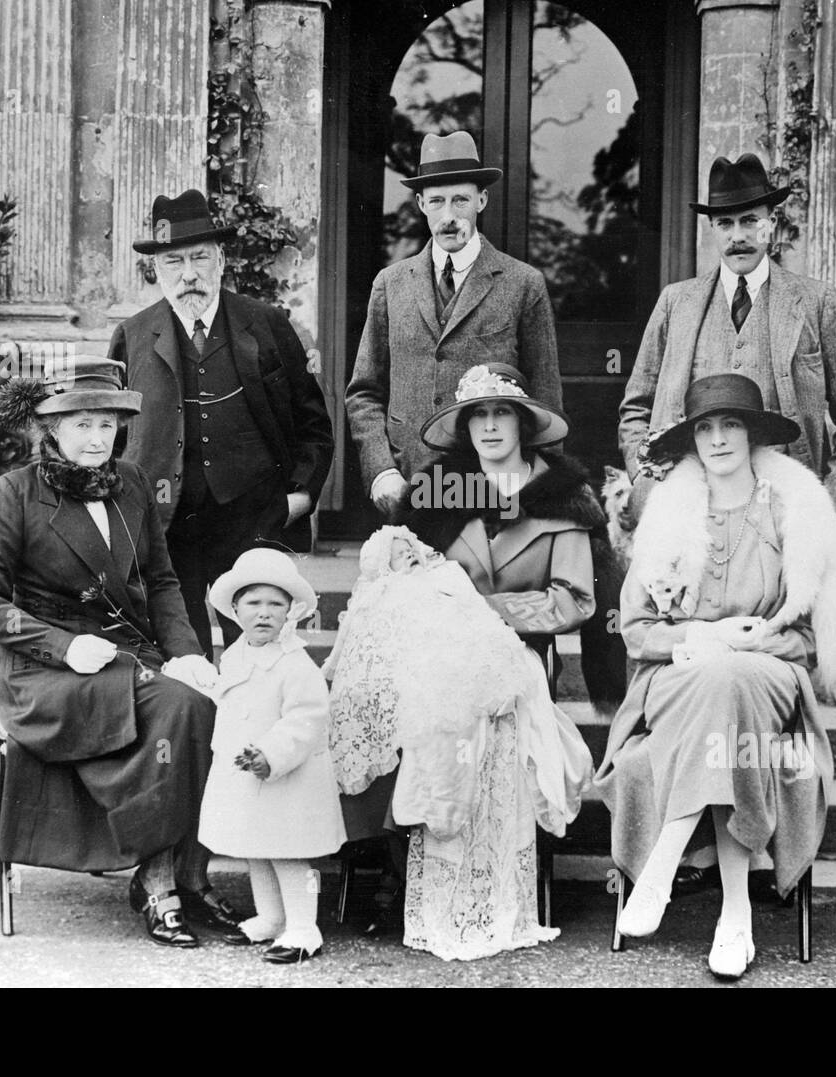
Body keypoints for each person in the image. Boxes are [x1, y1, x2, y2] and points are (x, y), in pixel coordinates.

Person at [0, 356, 249, 948]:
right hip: (44, 670)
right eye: (81, 426)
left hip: (126, 653)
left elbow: (163, 580)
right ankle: (161, 880)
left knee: (199, 698)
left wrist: (187, 653)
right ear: (51, 430)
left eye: (106, 425)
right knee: (176, 708)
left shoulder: (134, 484)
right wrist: (65, 648)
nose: (97, 439)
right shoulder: (14, 492)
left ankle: (186, 875)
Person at [594, 373, 836, 980]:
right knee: (716, 679)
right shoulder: (669, 518)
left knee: (731, 681)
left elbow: (811, 639)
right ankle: (735, 913)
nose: (717, 439)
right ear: (691, 442)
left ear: (753, 434)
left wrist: (764, 637)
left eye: (731, 424)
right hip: (679, 678)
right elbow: (636, 632)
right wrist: (704, 637)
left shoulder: (796, 514)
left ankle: (665, 857)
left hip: (768, 678)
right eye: (705, 428)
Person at [391, 363, 596, 961]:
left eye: (500, 412)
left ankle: (495, 885)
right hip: (442, 652)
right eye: (476, 415)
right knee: (435, 705)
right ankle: (430, 883)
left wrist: (490, 610)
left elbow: (575, 598)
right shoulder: (438, 493)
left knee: (486, 710)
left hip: (519, 655)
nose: (488, 426)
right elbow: (407, 573)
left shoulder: (562, 497)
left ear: (524, 423)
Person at [109, 189, 334, 655]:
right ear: (156, 269)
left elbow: (313, 423)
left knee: (258, 655)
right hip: (169, 526)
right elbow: (114, 440)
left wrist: (298, 496)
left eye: (199, 258)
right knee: (182, 655)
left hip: (252, 522)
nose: (188, 274)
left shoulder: (266, 324)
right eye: (173, 262)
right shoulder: (132, 336)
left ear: (222, 258)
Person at [618, 153, 836, 526]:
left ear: (771, 225)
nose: (738, 236)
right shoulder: (677, 302)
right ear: (712, 228)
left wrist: (828, 510)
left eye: (750, 221)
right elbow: (635, 408)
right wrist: (648, 482)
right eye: (725, 223)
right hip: (691, 512)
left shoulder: (817, 302)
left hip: (785, 510)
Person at [346, 131, 562, 518]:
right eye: (437, 202)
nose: (449, 217)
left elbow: (545, 400)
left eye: (460, 200)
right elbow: (364, 393)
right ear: (420, 204)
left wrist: (538, 496)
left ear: (482, 199)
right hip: (409, 486)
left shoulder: (522, 284)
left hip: (493, 493)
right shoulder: (390, 284)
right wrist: (382, 472)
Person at [324, 525, 533, 838]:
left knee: (446, 712)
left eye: (409, 548)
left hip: (444, 661)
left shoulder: (442, 574)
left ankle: (432, 810)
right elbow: (358, 639)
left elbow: (467, 612)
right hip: (398, 669)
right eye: (397, 555)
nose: (407, 555)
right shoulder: (381, 590)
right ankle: (397, 829)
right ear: (383, 565)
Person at [198, 549, 345, 965]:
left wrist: (272, 753)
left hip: (287, 777)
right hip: (245, 776)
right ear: (236, 609)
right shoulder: (235, 655)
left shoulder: (295, 663)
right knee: (255, 849)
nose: (264, 614)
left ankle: (303, 929)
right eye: (253, 603)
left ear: (290, 611)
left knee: (289, 853)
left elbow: (307, 718)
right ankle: (271, 916)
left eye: (275, 604)